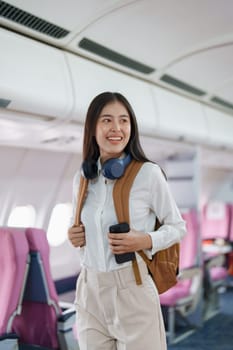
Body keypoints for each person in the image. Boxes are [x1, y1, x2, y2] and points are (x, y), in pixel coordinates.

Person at [68, 91, 186, 350]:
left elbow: (178, 227)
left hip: (131, 287)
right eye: (107, 120)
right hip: (89, 290)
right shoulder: (82, 178)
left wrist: (145, 240)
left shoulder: (148, 174)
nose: (116, 128)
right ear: (93, 127)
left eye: (124, 121)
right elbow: (79, 227)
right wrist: (73, 234)